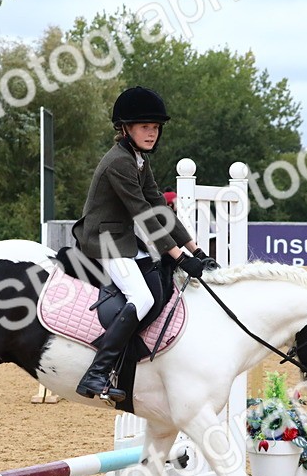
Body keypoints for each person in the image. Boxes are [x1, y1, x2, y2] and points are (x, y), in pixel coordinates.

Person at [71, 86, 217, 402]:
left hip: (121, 236)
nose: (151, 133)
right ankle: (95, 374)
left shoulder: (137, 159)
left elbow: (159, 208)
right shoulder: (118, 162)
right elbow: (142, 212)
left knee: (155, 286)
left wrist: (196, 249)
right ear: (125, 128)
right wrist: (178, 257)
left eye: (155, 127)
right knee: (142, 296)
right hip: (102, 239)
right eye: (144, 127)